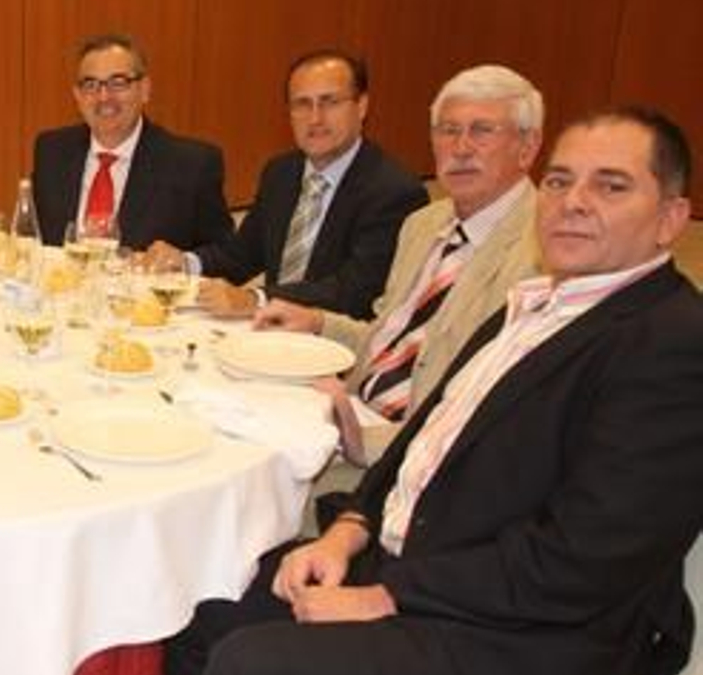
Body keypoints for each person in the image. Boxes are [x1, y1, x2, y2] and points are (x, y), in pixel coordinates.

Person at [161, 107, 703, 675]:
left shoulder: (670, 345)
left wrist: (384, 595)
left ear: (671, 219)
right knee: (208, 601)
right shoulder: (538, 302)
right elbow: (422, 442)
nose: (573, 201)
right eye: (560, 181)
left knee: (255, 671)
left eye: (610, 185)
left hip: (531, 646)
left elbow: (584, 562)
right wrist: (345, 532)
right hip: (438, 572)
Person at [256, 64, 544, 472]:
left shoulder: (544, 255)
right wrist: (317, 321)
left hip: (411, 458)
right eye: (447, 130)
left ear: (528, 147)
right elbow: (389, 339)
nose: (460, 148)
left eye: (482, 131)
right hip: (354, 406)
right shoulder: (424, 225)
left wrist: (355, 439)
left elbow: (484, 416)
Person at [155, 49, 426, 320]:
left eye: (330, 102)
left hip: (335, 347)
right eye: (302, 104)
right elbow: (243, 253)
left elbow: (355, 291)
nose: (315, 118)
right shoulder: (281, 171)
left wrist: (257, 299)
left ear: (362, 106)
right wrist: (186, 263)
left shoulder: (394, 192)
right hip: (273, 334)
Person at [31, 33, 231, 252]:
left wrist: (183, 261)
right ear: (77, 95)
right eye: (91, 85)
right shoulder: (51, 150)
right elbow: (35, 239)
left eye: (118, 83)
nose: (104, 97)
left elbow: (226, 253)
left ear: (144, 90)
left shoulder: (191, 165)